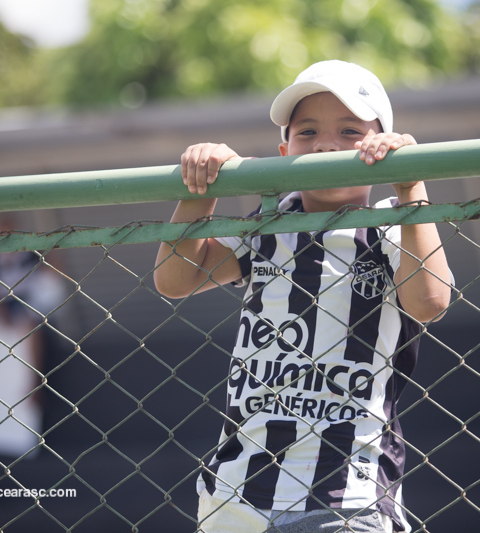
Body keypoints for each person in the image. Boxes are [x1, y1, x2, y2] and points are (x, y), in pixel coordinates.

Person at [154, 60, 454, 533]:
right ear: (284, 149)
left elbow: (430, 301)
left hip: (344, 496)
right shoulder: (270, 221)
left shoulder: (396, 223)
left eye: (351, 132)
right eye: (307, 132)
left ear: (385, 144)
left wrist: (411, 181)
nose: (326, 145)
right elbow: (174, 280)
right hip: (236, 495)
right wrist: (202, 188)